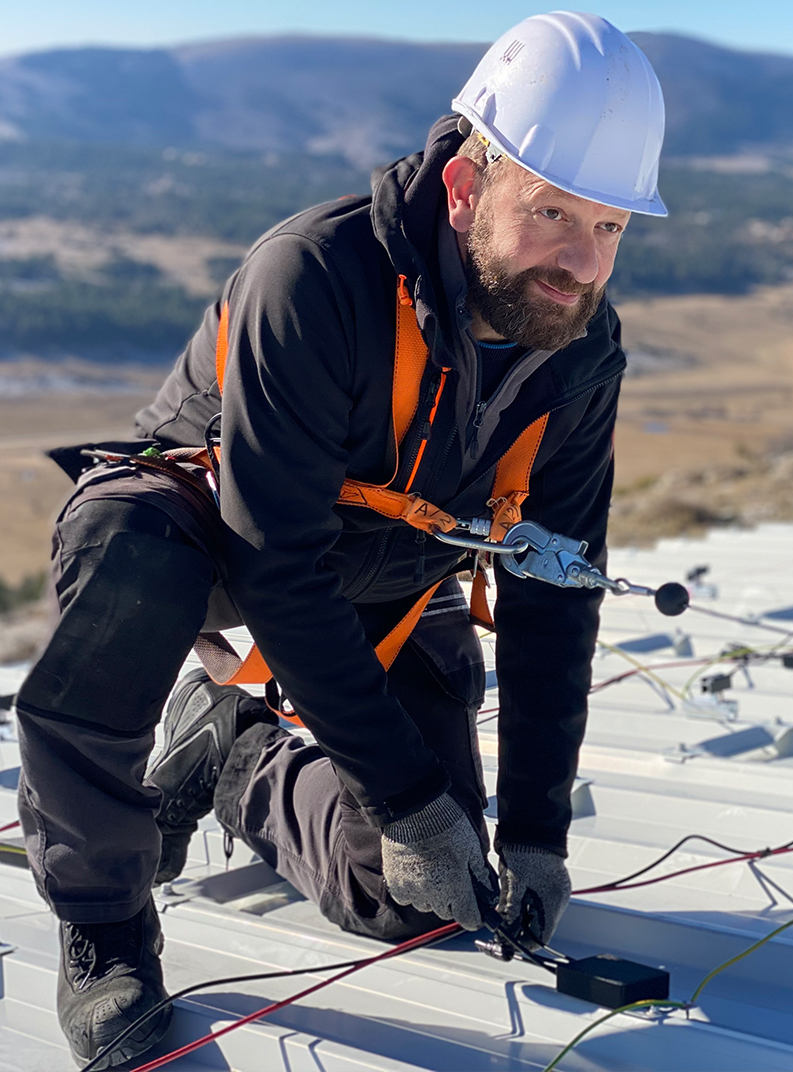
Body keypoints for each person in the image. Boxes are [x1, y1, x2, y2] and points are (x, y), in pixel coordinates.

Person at [14, 12, 668, 1068]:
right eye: (552, 212)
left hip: (387, 574)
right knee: (127, 566)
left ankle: (238, 757)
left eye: (609, 229)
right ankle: (103, 921)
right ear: (464, 187)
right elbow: (275, 559)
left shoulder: (578, 350)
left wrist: (534, 830)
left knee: (411, 894)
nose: (580, 263)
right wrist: (408, 799)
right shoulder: (314, 276)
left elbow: (554, 589)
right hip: (214, 531)